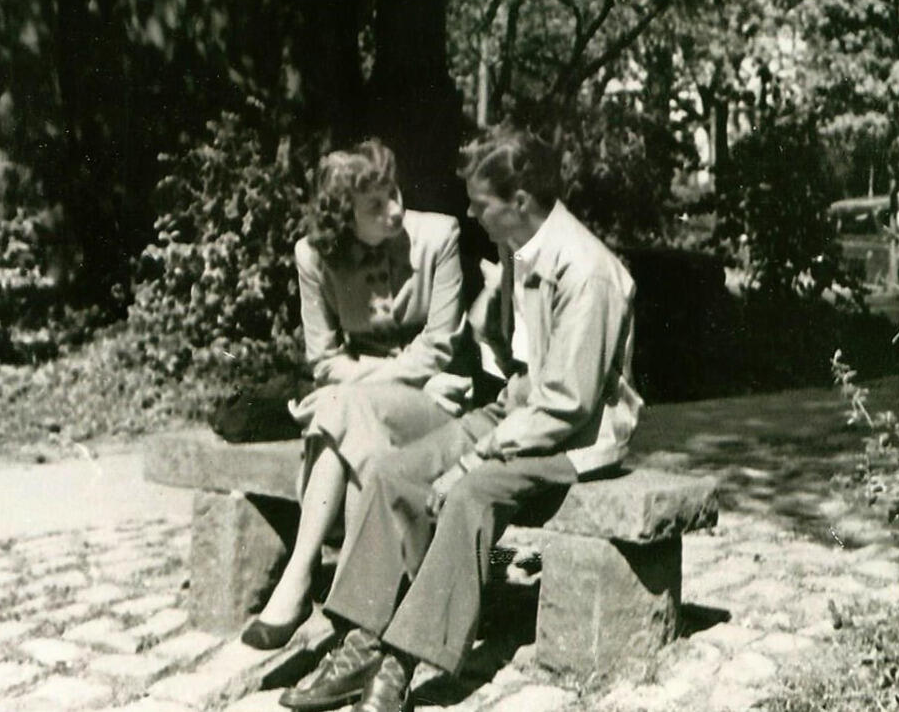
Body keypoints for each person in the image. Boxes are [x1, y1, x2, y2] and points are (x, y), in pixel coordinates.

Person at [277, 126, 643, 712]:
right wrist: (487, 321)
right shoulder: (520, 245)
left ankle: (401, 664)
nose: (470, 213)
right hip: (519, 410)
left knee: (470, 494)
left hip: (575, 438)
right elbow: (514, 358)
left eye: (480, 202)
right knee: (395, 474)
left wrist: (476, 455)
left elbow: (568, 405)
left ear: (518, 202)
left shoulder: (587, 271)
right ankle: (358, 643)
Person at [241, 139, 472, 651]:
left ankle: (301, 579)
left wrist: (358, 381)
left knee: (340, 407)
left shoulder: (439, 237)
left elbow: (437, 349)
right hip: (357, 410)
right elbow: (322, 358)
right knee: (351, 417)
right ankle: (351, 608)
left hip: (431, 401)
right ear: (343, 216)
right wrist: (358, 384)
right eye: (375, 206)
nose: (395, 210)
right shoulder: (313, 256)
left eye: (395, 194)